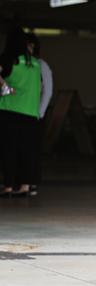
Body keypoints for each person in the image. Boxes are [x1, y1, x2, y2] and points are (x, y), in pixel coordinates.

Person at [0, 27, 42, 197]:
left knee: (8, 150)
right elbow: (41, 88)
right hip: (31, 113)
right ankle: (25, 186)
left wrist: (6, 87)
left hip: (10, 111)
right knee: (26, 151)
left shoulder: (9, 59)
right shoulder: (35, 63)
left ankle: (8, 186)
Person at [27, 32, 53, 196]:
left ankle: (32, 182)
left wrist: (40, 112)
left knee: (32, 150)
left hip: (35, 114)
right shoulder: (20, 64)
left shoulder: (41, 65)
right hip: (24, 112)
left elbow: (47, 91)